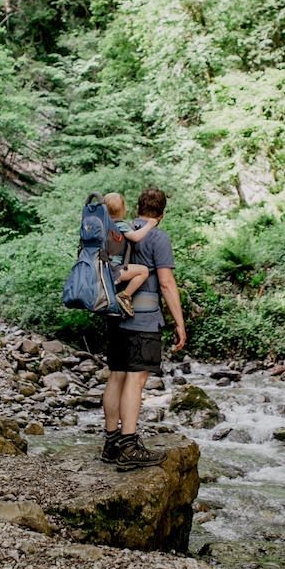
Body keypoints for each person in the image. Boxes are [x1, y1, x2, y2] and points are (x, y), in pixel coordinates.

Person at [101, 186, 187, 471]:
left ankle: (111, 442)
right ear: (161, 214)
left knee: (116, 376)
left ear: (137, 209)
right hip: (144, 318)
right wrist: (179, 322)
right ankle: (128, 446)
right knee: (136, 380)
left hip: (114, 315)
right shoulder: (158, 236)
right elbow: (165, 283)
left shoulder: (115, 230)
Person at [102, 191, 157, 318]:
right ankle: (125, 295)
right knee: (143, 271)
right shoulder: (120, 225)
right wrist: (149, 225)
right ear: (123, 211)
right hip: (115, 270)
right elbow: (136, 237)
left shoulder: (102, 226)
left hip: (103, 268)